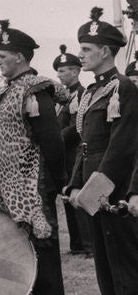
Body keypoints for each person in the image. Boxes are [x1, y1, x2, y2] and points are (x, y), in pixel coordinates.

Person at [67, 9, 137, 295]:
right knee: (104, 261)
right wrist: (75, 184)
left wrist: (96, 187)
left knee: (124, 262)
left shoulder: (123, 88)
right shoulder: (93, 91)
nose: (81, 55)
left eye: (86, 49)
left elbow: (122, 144)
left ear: (106, 51)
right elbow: (85, 143)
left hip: (113, 188)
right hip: (93, 186)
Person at [0, 20, 67, 295]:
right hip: (11, 183)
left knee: (42, 237)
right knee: (22, 241)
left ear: (19, 57)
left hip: (32, 178)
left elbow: (52, 139)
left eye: (2, 57)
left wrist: (56, 179)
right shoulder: (9, 90)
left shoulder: (35, 90)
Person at [53, 45, 91, 257]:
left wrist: (55, 139)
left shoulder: (81, 95)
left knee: (78, 198)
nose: (59, 75)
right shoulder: (64, 97)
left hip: (74, 154)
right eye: (58, 71)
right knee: (67, 198)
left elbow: (76, 127)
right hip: (63, 156)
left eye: (62, 71)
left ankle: (88, 245)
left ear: (75, 72)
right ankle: (76, 243)